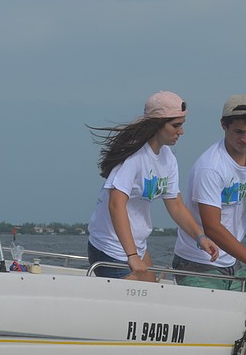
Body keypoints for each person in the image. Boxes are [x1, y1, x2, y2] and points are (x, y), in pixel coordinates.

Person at [87, 91, 219, 281]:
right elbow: (116, 204)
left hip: (138, 247)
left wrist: (200, 237)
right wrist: (131, 256)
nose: (181, 131)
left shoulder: (169, 159)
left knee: (152, 292)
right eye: (176, 126)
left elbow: (176, 205)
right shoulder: (134, 157)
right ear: (157, 125)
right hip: (111, 248)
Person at [172, 94, 246, 289]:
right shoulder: (210, 167)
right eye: (239, 132)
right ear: (224, 125)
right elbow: (212, 227)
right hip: (198, 263)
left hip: (231, 262)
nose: (245, 139)